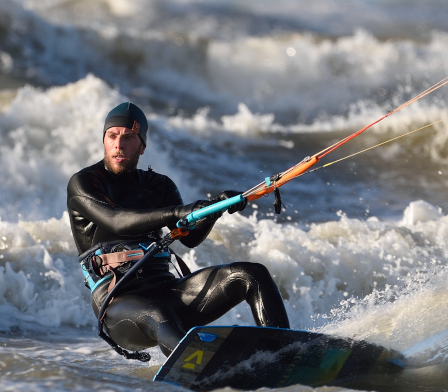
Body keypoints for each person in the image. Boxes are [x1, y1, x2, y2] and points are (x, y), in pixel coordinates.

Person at [66, 101, 290, 356]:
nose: (119, 144)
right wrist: (176, 212)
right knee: (156, 313)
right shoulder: (85, 182)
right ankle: (201, 366)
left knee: (251, 274)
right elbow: (117, 220)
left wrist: (216, 208)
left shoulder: (158, 185)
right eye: (112, 136)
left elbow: (191, 238)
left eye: (128, 137)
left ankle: (282, 355)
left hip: (167, 290)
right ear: (104, 140)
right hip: (117, 302)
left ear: (142, 146)